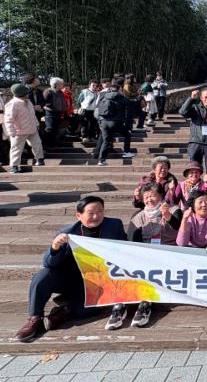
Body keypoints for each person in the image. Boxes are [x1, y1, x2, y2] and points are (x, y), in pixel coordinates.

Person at [14, 196, 127, 342]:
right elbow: (48, 263)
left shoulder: (114, 225)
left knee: (102, 302)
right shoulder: (68, 232)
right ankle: (34, 318)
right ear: (79, 216)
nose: (96, 216)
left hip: (101, 281)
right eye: (91, 213)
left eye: (100, 211)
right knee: (43, 275)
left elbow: (126, 250)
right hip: (72, 278)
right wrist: (55, 247)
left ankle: (64, 313)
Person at [179, 87, 207, 178]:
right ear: (201, 98)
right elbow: (182, 112)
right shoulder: (195, 108)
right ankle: (195, 185)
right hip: (195, 142)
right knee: (194, 169)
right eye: (205, 97)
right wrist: (191, 99)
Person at [5, 84, 45, 173]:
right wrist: (11, 132)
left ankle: (40, 159)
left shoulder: (28, 102)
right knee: (16, 148)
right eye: (26, 93)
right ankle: (14, 166)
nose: (28, 94)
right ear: (22, 94)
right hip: (19, 131)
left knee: (37, 144)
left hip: (32, 129)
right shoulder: (12, 104)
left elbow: (32, 115)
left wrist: (36, 125)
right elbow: (8, 119)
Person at [93, 77, 134, 165]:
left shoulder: (105, 97)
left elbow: (98, 109)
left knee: (106, 141)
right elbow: (130, 103)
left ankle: (101, 160)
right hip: (115, 122)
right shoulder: (120, 97)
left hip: (104, 122)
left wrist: (100, 122)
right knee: (127, 134)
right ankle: (126, 152)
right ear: (119, 89)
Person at [43, 77, 66, 146]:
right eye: (60, 84)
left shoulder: (60, 92)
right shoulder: (48, 92)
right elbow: (43, 102)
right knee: (50, 128)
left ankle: (53, 143)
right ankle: (47, 144)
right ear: (55, 84)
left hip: (58, 113)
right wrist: (48, 108)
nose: (62, 85)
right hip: (50, 113)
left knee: (56, 128)